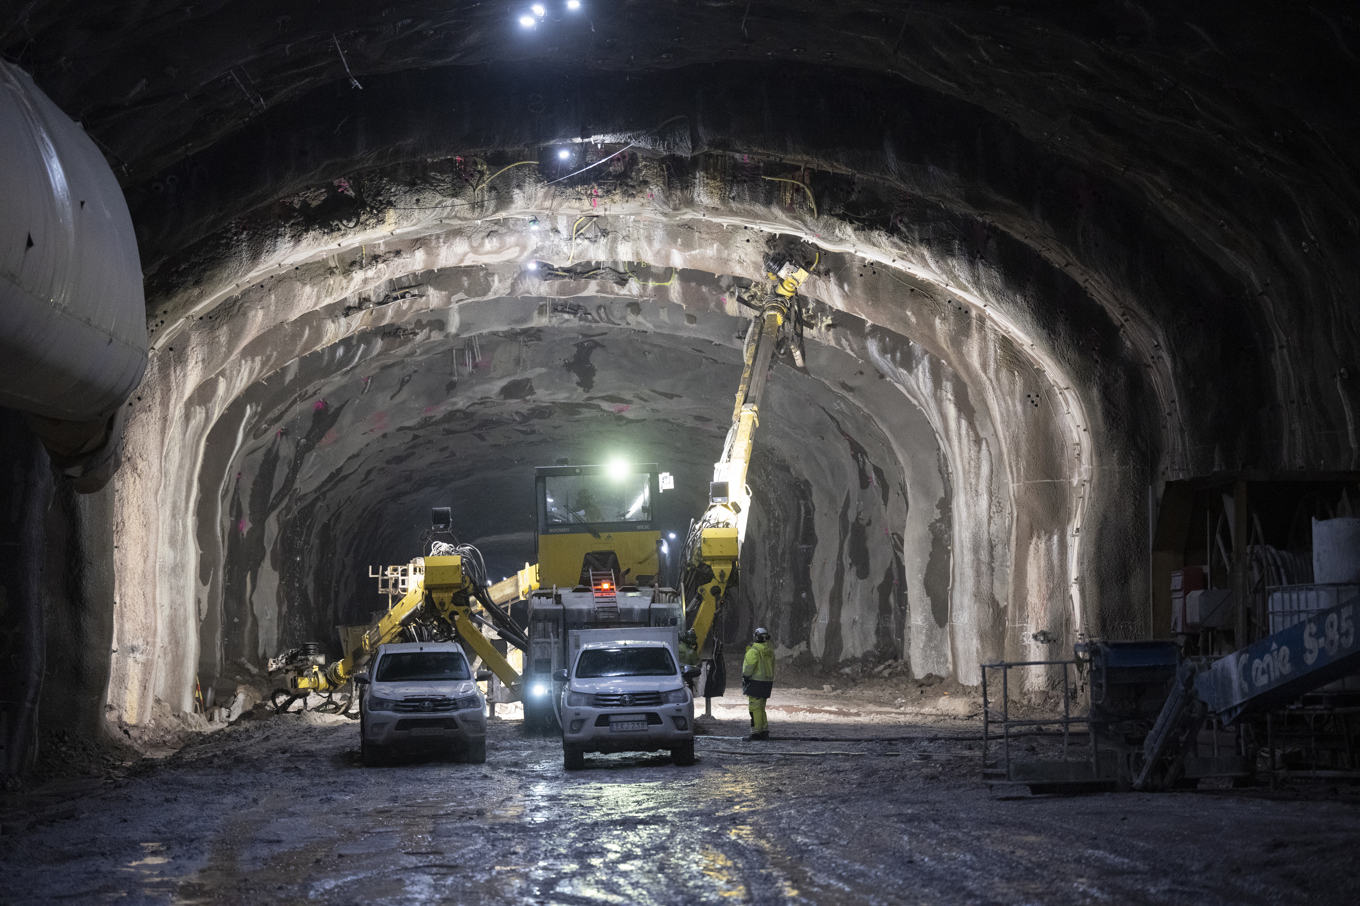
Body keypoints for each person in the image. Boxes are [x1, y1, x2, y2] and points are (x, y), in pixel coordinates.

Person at [742, 627, 775, 740]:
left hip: (755, 683)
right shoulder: (770, 652)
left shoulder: (754, 651)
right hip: (767, 683)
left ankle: (756, 732)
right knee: (761, 708)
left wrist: (745, 677)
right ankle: (764, 730)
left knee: (755, 708)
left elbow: (749, 668)